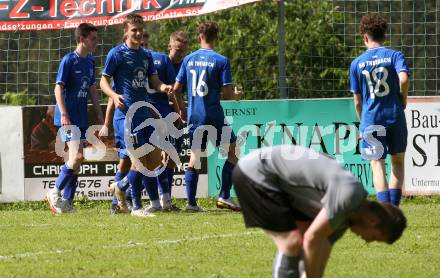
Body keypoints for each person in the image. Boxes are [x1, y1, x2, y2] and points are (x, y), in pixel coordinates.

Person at [232, 145, 407, 278]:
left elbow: (319, 255)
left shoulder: (345, 218)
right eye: (374, 238)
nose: (367, 241)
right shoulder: (348, 196)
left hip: (274, 179)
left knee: (300, 240)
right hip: (256, 172)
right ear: (373, 221)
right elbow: (312, 239)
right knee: (292, 243)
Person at [100, 14, 172, 217]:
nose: (138, 33)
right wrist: (113, 95)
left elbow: (154, 81)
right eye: (134, 30)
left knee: (155, 162)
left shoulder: (146, 55)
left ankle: (121, 186)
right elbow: (103, 81)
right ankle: (137, 207)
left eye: (140, 30)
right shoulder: (116, 54)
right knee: (138, 161)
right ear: (126, 31)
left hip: (144, 113)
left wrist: (163, 87)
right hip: (126, 116)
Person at [172, 21, 241, 212]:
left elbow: (175, 89)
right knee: (233, 153)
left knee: (195, 158)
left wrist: (182, 109)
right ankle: (225, 196)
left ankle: (191, 204)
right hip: (214, 115)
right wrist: (236, 96)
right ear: (216, 37)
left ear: (199, 36)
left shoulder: (188, 59)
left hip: (195, 115)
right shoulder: (221, 60)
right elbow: (227, 95)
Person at [350, 14, 410, 206]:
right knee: (397, 163)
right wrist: (403, 98)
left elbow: (357, 101)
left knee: (377, 165)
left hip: (371, 118)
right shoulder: (395, 55)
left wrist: (362, 122)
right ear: (384, 36)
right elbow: (404, 79)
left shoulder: (356, 64)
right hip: (394, 115)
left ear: (365, 37)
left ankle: (385, 212)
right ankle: (393, 210)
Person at [46, 23, 104, 214]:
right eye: (93, 38)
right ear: (82, 39)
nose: (96, 42)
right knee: (77, 157)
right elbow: (58, 88)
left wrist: (99, 112)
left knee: (76, 161)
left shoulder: (90, 61)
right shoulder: (68, 60)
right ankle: (54, 192)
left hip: (81, 116)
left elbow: (92, 88)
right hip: (68, 117)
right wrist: (63, 113)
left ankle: (67, 203)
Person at [139, 31, 186, 212]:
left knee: (168, 158)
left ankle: (163, 200)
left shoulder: (170, 61)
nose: (180, 53)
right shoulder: (159, 60)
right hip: (154, 116)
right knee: (152, 160)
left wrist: (178, 111)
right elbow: (172, 91)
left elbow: (174, 91)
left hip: (162, 115)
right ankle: (126, 193)